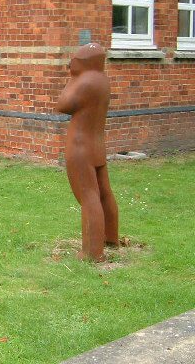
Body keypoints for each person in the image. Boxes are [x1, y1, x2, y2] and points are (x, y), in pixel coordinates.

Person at [56, 43, 119, 261]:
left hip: (80, 147)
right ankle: (111, 238)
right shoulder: (102, 80)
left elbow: (62, 104)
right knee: (104, 192)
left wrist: (73, 77)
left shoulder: (84, 82)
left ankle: (92, 252)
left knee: (88, 195)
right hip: (97, 144)